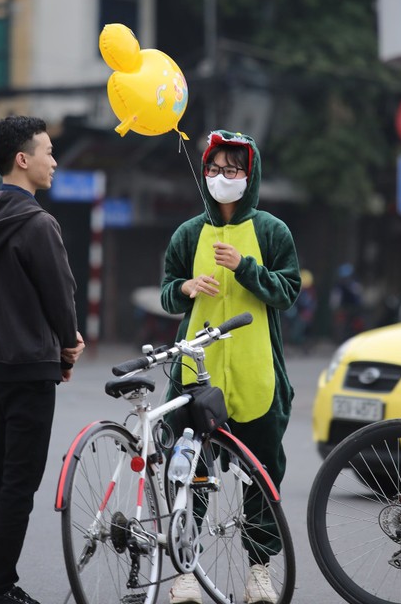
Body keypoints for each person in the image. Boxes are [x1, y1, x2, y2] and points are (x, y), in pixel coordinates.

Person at [160, 129, 301, 604]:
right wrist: (185, 289)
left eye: (234, 169)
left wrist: (246, 267)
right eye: (216, 168)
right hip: (194, 373)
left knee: (261, 478)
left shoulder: (271, 231)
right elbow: (165, 290)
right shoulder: (187, 233)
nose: (224, 177)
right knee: (189, 475)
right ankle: (185, 572)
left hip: (256, 371)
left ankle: (259, 573)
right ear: (204, 173)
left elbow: (288, 292)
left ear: (250, 173)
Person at [0, 116, 84, 604]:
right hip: (31, 363)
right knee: (18, 483)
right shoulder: (37, 223)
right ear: (22, 160)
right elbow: (60, 297)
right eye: (47, 151)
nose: (54, 160)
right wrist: (68, 346)